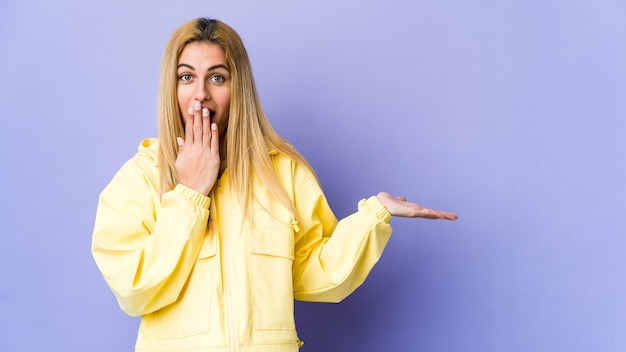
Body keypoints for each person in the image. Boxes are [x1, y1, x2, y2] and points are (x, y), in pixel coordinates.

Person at [91, 18, 458, 352]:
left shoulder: (282, 171)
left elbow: (318, 275)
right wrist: (190, 194)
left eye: (217, 77)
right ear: (171, 87)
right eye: (186, 77)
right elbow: (133, 290)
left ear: (238, 87)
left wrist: (375, 215)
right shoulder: (139, 179)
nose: (200, 93)